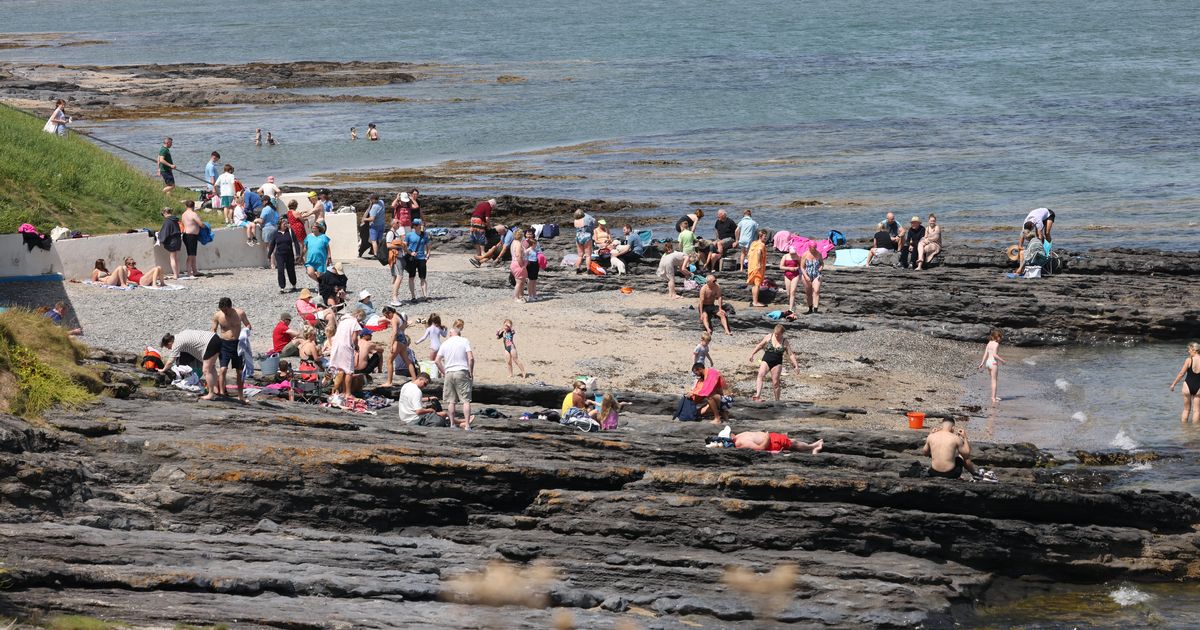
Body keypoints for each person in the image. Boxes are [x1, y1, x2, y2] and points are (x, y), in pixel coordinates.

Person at [158, 331, 221, 401]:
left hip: (210, 342)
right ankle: (215, 391)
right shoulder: (179, 335)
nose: (169, 349)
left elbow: (171, 360)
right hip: (214, 338)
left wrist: (163, 369)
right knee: (211, 368)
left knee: (206, 370)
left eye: (167, 347)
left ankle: (211, 394)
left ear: (169, 343)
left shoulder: (176, 343)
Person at [435, 319, 474, 429]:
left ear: (451, 333)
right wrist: (471, 371)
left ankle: (452, 424)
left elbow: (437, 360)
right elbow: (471, 358)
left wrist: (443, 372)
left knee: (451, 401)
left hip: (449, 372)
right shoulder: (464, 341)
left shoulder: (445, 343)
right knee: (465, 400)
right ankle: (466, 425)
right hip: (461, 370)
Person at [922, 418, 992, 481]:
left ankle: (974, 474)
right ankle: (975, 474)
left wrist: (930, 434)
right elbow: (966, 455)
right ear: (952, 428)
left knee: (935, 452)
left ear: (942, 426)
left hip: (934, 472)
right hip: (950, 474)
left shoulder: (931, 436)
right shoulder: (955, 438)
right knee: (960, 457)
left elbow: (925, 453)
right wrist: (964, 437)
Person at [211, 297, 251, 403]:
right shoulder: (218, 315)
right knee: (223, 369)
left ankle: (240, 395)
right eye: (222, 310)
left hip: (238, 344)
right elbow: (213, 330)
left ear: (230, 307)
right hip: (224, 344)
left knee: (239, 371)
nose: (224, 312)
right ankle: (222, 394)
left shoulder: (240, 313)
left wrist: (246, 331)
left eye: (225, 310)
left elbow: (248, 324)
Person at [749, 324, 799, 401]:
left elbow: (791, 354)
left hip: (777, 363)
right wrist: (752, 354)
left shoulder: (785, 342)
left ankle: (777, 400)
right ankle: (758, 395)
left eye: (778, 334)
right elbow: (760, 345)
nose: (776, 335)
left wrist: (796, 366)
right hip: (766, 360)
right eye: (775, 333)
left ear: (782, 333)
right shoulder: (769, 336)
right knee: (760, 375)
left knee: (775, 383)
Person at [329, 308, 363, 402]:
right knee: (349, 371)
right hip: (346, 346)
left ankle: (342, 391)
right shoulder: (354, 322)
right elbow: (354, 338)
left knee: (340, 369)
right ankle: (347, 393)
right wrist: (356, 346)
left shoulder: (343, 321)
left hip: (337, 345)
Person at [382, 307, 416, 387]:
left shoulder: (394, 319)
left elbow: (394, 332)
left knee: (389, 361)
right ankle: (414, 379)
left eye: (387, 316)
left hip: (398, 341)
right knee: (407, 360)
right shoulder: (399, 316)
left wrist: (391, 344)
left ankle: (389, 382)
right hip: (404, 339)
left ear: (390, 312)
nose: (387, 318)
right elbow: (404, 327)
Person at [1169, 342, 1200, 423]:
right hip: (1199, 387)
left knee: (1186, 409)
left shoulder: (1189, 360)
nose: (1188, 351)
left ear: (1194, 350)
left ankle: (1184, 429)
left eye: (1189, 350)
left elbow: (1181, 374)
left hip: (1187, 386)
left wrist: (1173, 384)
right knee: (1196, 410)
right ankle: (1195, 431)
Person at [267, 214, 298, 292]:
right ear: (280, 225)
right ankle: (282, 287)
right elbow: (272, 245)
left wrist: (297, 253)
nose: (285, 224)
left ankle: (293, 284)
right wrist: (269, 254)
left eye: (286, 223)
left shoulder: (290, 232)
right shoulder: (276, 233)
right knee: (280, 270)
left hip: (289, 254)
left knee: (291, 270)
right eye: (284, 223)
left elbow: (296, 242)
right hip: (280, 255)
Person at [404, 219, 431, 302]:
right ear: (414, 226)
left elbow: (428, 246)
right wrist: (410, 253)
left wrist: (427, 255)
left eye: (420, 224)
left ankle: (425, 296)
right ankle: (413, 296)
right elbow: (404, 246)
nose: (420, 226)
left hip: (422, 258)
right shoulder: (409, 235)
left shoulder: (425, 235)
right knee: (411, 277)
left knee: (423, 277)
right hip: (412, 259)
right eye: (418, 225)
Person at [384, 218, 408, 305]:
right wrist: (400, 244)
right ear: (392, 224)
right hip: (395, 257)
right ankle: (394, 298)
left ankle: (394, 296)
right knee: (399, 276)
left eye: (399, 223)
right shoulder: (390, 233)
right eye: (397, 223)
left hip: (399, 256)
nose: (399, 224)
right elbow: (388, 245)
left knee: (395, 277)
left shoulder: (396, 233)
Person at [732, 431, 823, 454]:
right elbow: (760, 448)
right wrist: (767, 437)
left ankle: (812, 447)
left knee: (791, 442)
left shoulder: (738, 436)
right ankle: (813, 447)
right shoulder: (741, 443)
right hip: (772, 443)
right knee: (792, 443)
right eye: (729, 434)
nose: (731, 433)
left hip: (771, 438)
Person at [157, 207, 183, 280]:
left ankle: (175, 274)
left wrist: (160, 238)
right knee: (176, 258)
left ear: (165, 213)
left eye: (163, 214)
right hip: (178, 239)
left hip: (172, 240)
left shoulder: (168, 221)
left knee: (172, 258)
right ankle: (177, 274)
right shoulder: (175, 219)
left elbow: (165, 232)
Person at [746, 229, 768, 307]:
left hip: (751, 266)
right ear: (760, 236)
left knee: (754, 284)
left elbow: (748, 254)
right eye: (765, 237)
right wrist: (758, 263)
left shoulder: (753, 243)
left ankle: (754, 301)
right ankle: (755, 302)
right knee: (757, 284)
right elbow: (759, 252)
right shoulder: (761, 245)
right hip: (757, 267)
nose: (766, 238)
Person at [180, 200, 203, 278]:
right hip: (191, 236)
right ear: (193, 206)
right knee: (190, 255)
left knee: (193, 254)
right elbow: (201, 224)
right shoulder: (193, 214)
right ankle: (189, 273)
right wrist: (205, 227)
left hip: (186, 235)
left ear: (186, 206)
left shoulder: (183, 214)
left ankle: (195, 271)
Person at [572, 209, 596, 274]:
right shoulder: (587, 219)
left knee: (580, 255)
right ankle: (588, 269)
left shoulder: (575, 221)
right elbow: (593, 223)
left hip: (578, 237)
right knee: (588, 255)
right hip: (586, 236)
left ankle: (578, 268)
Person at [800, 245, 823, 314]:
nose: (814, 249)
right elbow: (802, 267)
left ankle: (816, 309)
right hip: (807, 275)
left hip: (817, 275)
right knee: (808, 292)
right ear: (809, 247)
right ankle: (810, 309)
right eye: (813, 248)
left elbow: (822, 263)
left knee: (816, 291)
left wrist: (821, 267)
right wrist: (806, 276)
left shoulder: (819, 254)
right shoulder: (805, 254)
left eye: (815, 248)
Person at [779, 247, 802, 313]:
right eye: (791, 254)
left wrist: (797, 268)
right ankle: (793, 304)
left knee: (793, 291)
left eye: (793, 254)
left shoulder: (798, 256)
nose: (792, 255)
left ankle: (790, 309)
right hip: (787, 275)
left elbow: (801, 266)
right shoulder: (785, 256)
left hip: (795, 275)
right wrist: (789, 268)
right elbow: (781, 266)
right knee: (788, 293)